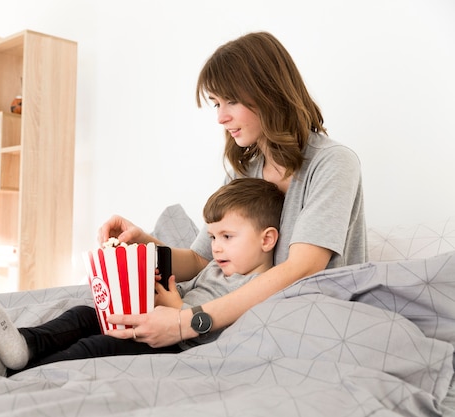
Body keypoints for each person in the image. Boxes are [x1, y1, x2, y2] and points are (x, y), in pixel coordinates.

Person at [99, 31, 367, 348]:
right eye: (216, 104)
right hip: (243, 326)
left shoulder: (332, 163)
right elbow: (201, 260)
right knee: (91, 322)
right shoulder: (244, 171)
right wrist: (145, 246)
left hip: (303, 328)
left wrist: (187, 321)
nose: (221, 117)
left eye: (232, 101)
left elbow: (301, 269)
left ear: (271, 93)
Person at [0, 177, 284, 376]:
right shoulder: (217, 265)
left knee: (100, 345)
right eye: (213, 237)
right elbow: (190, 267)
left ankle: (19, 375)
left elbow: (217, 337)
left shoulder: (263, 287)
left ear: (267, 239)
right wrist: (146, 270)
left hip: (174, 344)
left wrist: (176, 310)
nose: (215, 248)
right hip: (156, 317)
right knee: (85, 315)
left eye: (227, 237)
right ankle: (22, 344)